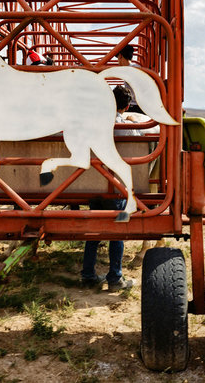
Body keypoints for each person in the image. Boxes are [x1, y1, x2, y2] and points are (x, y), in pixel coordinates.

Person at [80, 85, 137, 291]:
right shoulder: (124, 125)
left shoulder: (92, 121)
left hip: (93, 182)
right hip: (113, 185)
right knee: (117, 232)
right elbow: (137, 141)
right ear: (127, 106)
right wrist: (131, 121)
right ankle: (115, 278)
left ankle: (87, 275)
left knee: (93, 231)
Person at [115, 44, 145, 115]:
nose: (117, 61)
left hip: (135, 107)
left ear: (120, 56)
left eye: (117, 58)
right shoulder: (135, 67)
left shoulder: (133, 68)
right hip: (137, 106)